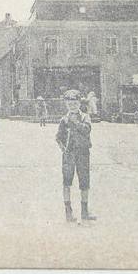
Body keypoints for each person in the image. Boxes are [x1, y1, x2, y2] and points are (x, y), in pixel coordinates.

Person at [56, 90, 96, 222]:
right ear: (66, 104)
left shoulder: (85, 117)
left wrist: (76, 123)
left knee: (84, 181)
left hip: (83, 153)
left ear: (79, 103)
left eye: (75, 103)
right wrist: (64, 149)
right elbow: (58, 137)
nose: (72, 105)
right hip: (69, 155)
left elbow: (87, 130)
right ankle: (68, 211)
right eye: (69, 103)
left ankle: (85, 211)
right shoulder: (64, 119)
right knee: (67, 182)